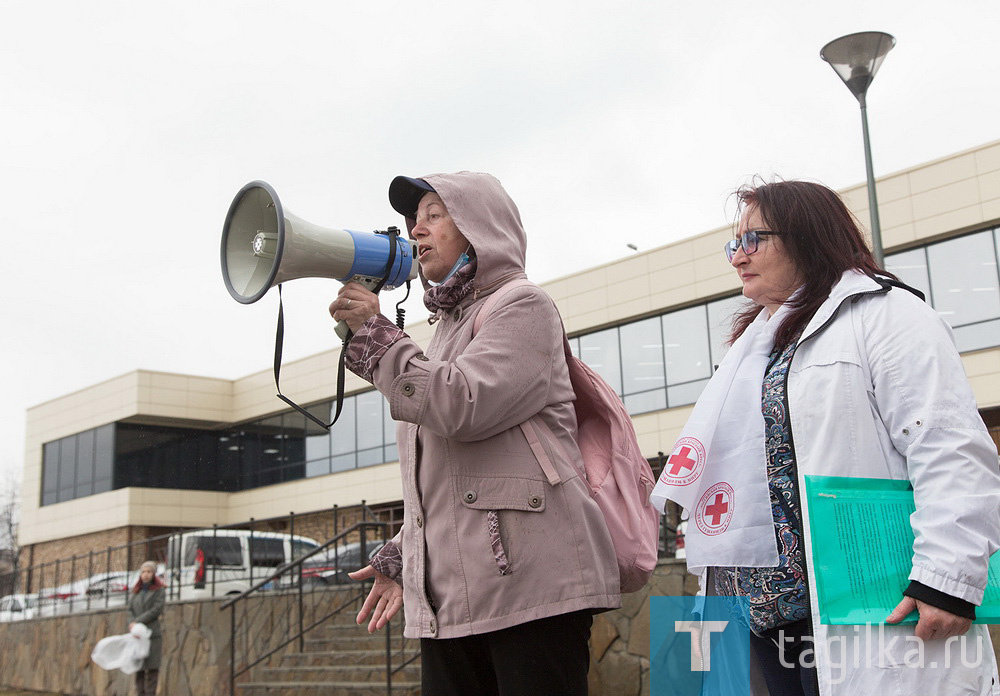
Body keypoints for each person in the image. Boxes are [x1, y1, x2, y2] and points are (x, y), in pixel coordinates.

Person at [651, 180, 1000, 695]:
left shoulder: (888, 316)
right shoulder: (754, 349)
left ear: (806, 236)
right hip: (765, 620)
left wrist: (948, 579)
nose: (737, 257)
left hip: (864, 607)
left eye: (752, 240)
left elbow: (947, 445)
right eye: (733, 244)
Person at [331, 171, 620, 696]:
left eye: (434, 216)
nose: (416, 231)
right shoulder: (441, 332)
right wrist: (406, 554)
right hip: (455, 597)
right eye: (413, 220)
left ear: (478, 227)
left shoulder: (522, 305)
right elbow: (452, 480)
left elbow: (462, 404)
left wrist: (378, 340)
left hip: (533, 588)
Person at [127, 560, 166, 696]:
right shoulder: (136, 592)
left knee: (152, 669)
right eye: (143, 572)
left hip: (152, 635)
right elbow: (129, 610)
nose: (145, 575)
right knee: (140, 669)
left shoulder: (159, 591)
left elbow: (156, 610)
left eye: (149, 572)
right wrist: (132, 623)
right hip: (137, 636)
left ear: (153, 574)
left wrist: (137, 621)